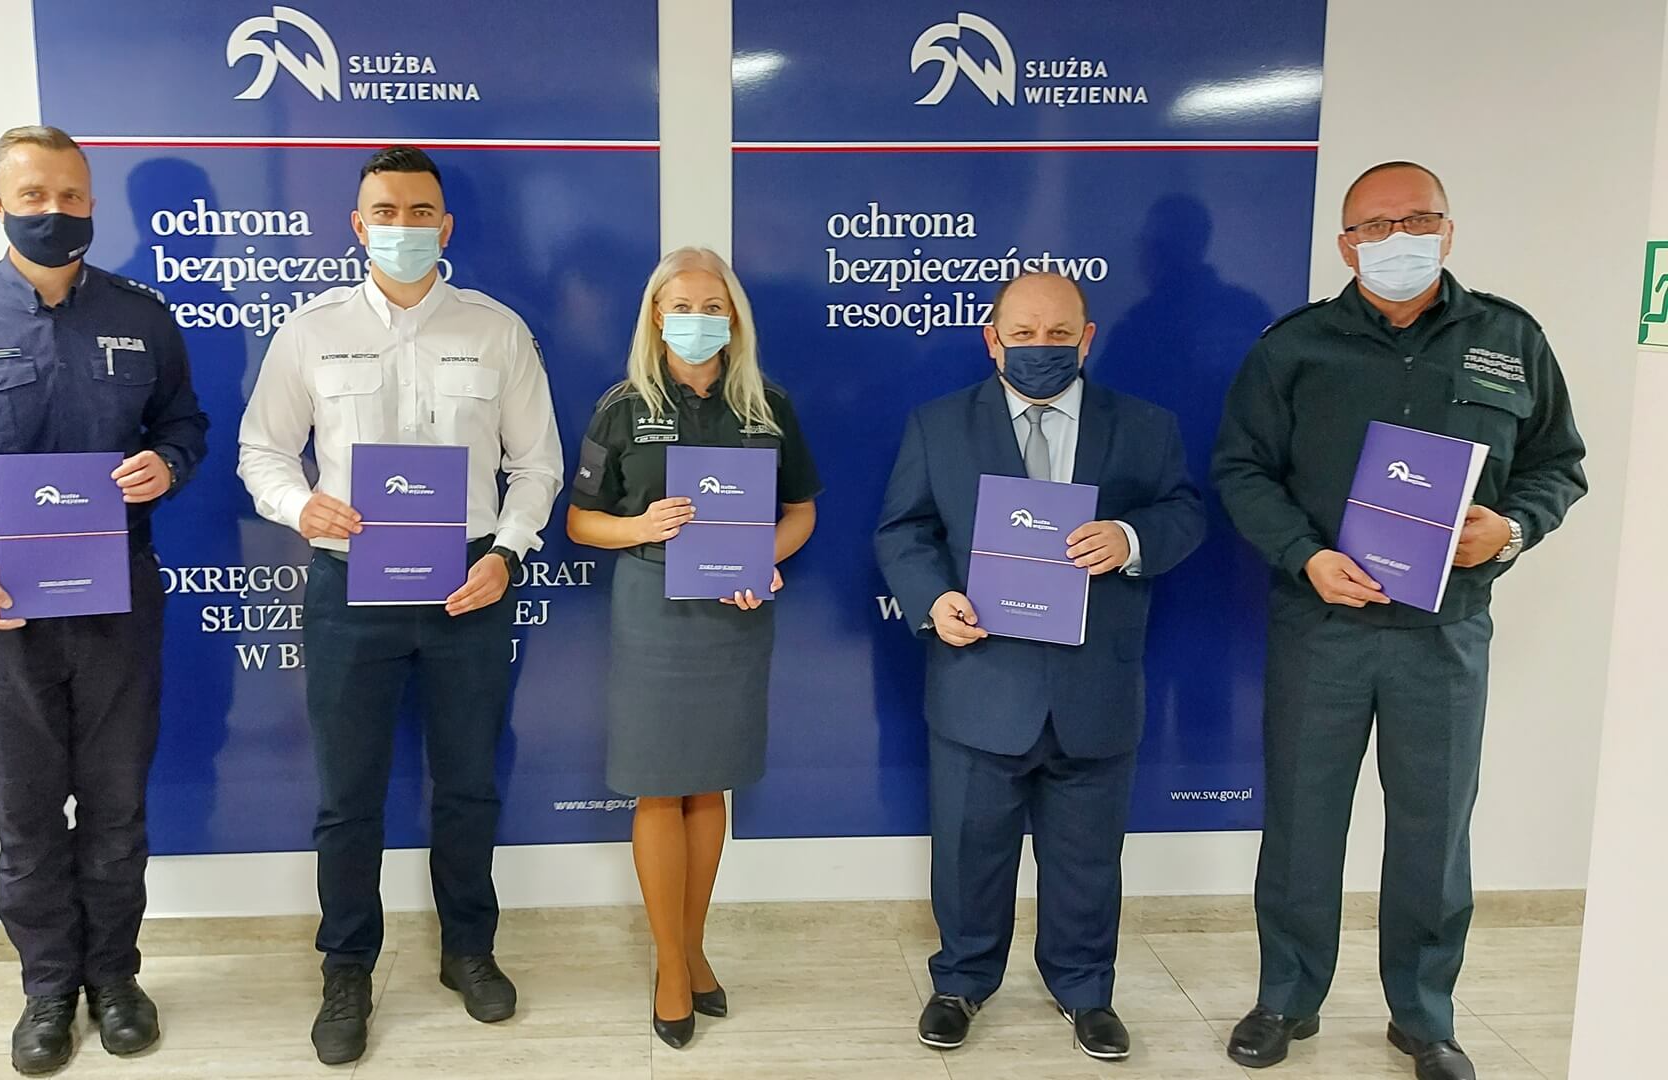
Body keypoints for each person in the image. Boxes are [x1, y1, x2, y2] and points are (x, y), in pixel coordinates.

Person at [1212, 161, 1587, 1080]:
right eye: (1374, 228)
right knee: (1302, 824)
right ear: (1346, 246)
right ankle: (1286, 999)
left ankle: (1424, 1017)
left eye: (1416, 220)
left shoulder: (1510, 338)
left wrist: (1512, 528)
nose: (1396, 240)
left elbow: (1558, 465)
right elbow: (1241, 469)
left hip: (1445, 634)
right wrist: (1305, 555)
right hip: (1324, 626)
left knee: (1434, 830)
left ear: (1447, 230)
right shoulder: (1293, 347)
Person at [0, 125, 208, 1075]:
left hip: (118, 600)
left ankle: (116, 980)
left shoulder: (142, 316)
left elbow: (184, 424)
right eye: (33, 195)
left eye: (69, 195)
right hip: (3, 603)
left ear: (91, 202)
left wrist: (168, 463)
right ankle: (48, 989)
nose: (53, 211)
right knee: (24, 815)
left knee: (116, 809)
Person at [236, 145, 562, 1065]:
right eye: (386, 211)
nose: (404, 226)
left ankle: (469, 951)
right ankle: (347, 969)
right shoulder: (311, 329)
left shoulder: (498, 330)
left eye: (421, 212)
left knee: (468, 783)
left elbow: (537, 465)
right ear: (358, 225)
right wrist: (300, 505)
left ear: (445, 226)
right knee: (348, 796)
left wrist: (507, 554)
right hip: (351, 584)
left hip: (470, 584)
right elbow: (262, 450)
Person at [875, 272, 1205, 1061]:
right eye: (1023, 334)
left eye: (1059, 334)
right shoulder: (938, 425)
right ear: (992, 341)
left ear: (1087, 339)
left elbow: (1184, 513)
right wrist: (934, 599)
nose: (1041, 348)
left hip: (1096, 686)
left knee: (1087, 861)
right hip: (980, 681)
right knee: (968, 854)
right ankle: (960, 983)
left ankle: (1086, 991)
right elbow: (903, 531)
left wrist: (1130, 540)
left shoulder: (1146, 427)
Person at [565, 247, 819, 1049]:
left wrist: (763, 559)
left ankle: (695, 946)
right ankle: (671, 967)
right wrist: (639, 526)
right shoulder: (622, 406)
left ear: (734, 317)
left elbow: (801, 511)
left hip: (735, 615)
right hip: (652, 607)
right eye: (682, 305)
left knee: (710, 785)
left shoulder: (767, 405)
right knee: (657, 787)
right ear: (656, 315)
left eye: (714, 306)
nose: (698, 319)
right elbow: (580, 520)